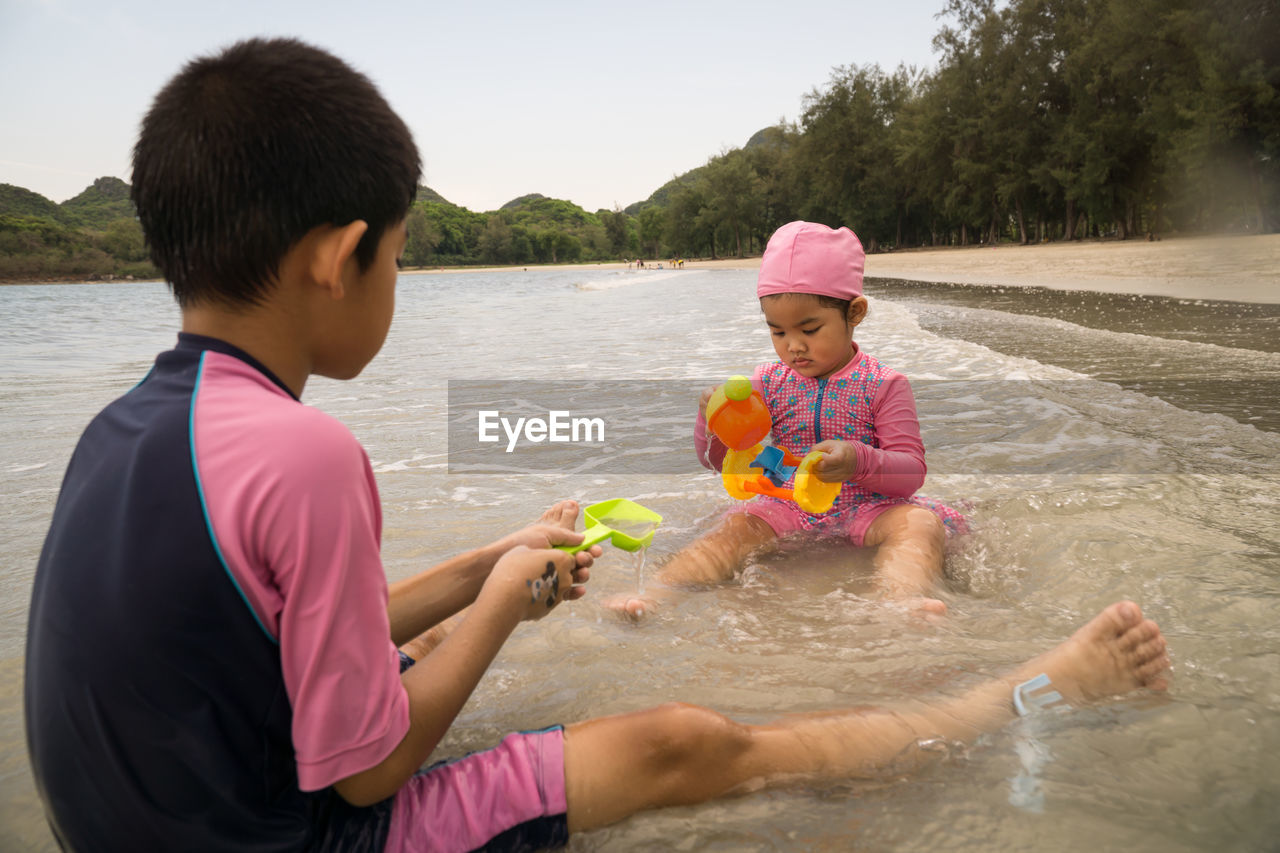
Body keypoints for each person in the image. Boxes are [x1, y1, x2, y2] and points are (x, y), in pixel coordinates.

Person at [24, 39, 1172, 853]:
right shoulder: (306, 453)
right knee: (681, 739)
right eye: (400, 258)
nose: (398, 284)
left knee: (428, 679)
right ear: (340, 255)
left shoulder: (126, 427)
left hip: (156, 815)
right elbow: (365, 775)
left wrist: (488, 568)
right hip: (282, 834)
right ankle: (1018, 695)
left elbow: (276, 639)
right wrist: (497, 608)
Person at [607, 221, 965, 621]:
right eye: (777, 332)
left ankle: (900, 599)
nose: (793, 345)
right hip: (787, 501)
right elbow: (717, 461)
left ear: (855, 312)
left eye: (810, 329)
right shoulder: (769, 382)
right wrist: (712, 421)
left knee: (920, 524)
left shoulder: (884, 384)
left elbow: (911, 473)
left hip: (870, 505)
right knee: (733, 531)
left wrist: (857, 460)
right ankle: (657, 593)